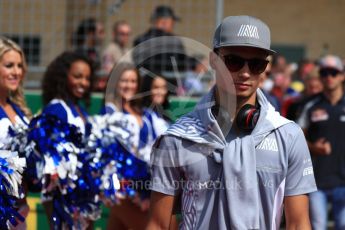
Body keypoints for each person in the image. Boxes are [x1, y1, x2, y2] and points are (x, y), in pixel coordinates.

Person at [147, 15, 316, 229]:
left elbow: (299, 223)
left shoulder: (288, 135)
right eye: (233, 61)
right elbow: (158, 224)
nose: (245, 73)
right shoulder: (177, 139)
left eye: (256, 64)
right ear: (213, 60)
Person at [104, 63, 163, 230]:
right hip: (122, 188)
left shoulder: (143, 113)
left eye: (132, 81)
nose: (128, 85)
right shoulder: (110, 112)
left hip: (144, 185)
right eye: (124, 81)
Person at [40, 51, 95, 229]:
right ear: (63, 77)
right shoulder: (57, 108)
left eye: (87, 78)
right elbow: (52, 159)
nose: (83, 83)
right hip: (63, 196)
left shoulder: (78, 109)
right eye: (78, 76)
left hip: (82, 194)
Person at [298, 55, 345, 230]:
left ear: (342, 75)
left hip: (343, 180)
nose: (329, 77)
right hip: (317, 181)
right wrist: (313, 147)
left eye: (334, 73)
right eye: (324, 73)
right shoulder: (310, 106)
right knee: (318, 226)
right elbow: (296, 138)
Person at [0, 36, 31, 229]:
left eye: (20, 66)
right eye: (9, 65)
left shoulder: (19, 110)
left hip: (19, 211)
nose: (16, 72)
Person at [132, 5, 187, 76]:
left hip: (145, 83)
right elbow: (183, 65)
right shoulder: (175, 42)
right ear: (164, 22)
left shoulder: (140, 40)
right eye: (172, 22)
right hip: (170, 84)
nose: (173, 25)